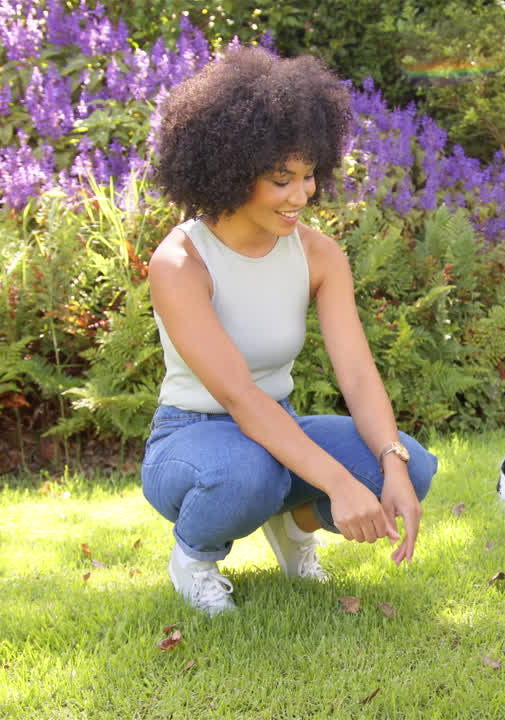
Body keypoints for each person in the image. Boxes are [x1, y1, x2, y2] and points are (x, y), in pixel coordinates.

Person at [140, 46, 437, 616]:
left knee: (412, 467)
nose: (301, 196)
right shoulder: (181, 262)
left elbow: (355, 371)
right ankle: (194, 557)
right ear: (229, 169)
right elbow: (238, 396)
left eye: (307, 177)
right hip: (191, 437)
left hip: (279, 423)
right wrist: (339, 484)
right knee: (246, 473)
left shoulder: (319, 255)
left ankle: (292, 526)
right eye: (281, 180)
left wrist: (392, 462)